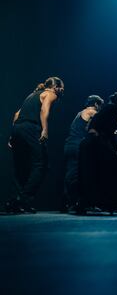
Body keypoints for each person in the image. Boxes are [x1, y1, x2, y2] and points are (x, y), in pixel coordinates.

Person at [5, 77, 64, 213]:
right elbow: (44, 110)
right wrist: (44, 129)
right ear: (55, 87)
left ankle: (15, 201)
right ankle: (23, 199)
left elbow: (16, 114)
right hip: (31, 128)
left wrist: (12, 135)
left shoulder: (32, 95)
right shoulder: (50, 94)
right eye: (62, 89)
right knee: (41, 164)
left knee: (21, 166)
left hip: (18, 128)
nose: (62, 92)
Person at [77, 92, 117, 215]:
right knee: (114, 170)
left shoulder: (106, 109)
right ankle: (112, 201)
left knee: (92, 174)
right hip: (94, 145)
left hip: (91, 145)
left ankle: (91, 202)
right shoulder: (111, 109)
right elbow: (99, 131)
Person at [61, 95, 104, 212]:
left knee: (72, 174)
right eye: (100, 105)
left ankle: (70, 203)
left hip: (70, 145)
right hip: (76, 146)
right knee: (75, 175)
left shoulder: (80, 113)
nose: (100, 108)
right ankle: (76, 202)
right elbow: (103, 120)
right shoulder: (91, 111)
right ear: (96, 104)